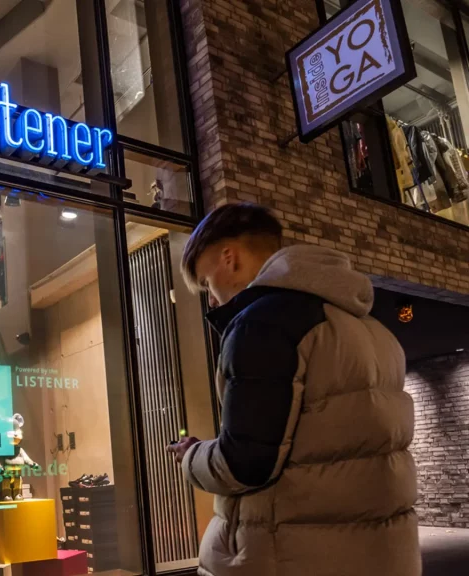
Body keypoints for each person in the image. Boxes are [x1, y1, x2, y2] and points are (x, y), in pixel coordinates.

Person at [167, 203, 420, 576]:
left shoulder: (261, 325)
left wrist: (191, 455)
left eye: (206, 283)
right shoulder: (373, 330)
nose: (212, 300)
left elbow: (244, 464)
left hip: (292, 556)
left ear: (228, 258)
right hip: (383, 555)